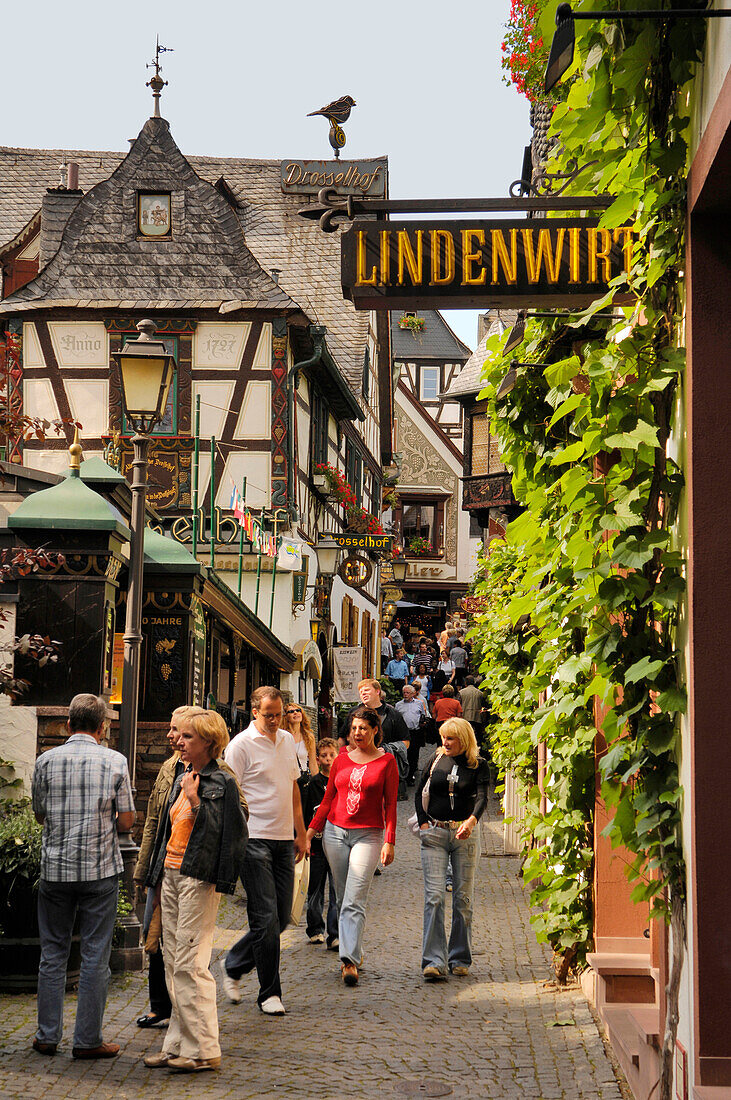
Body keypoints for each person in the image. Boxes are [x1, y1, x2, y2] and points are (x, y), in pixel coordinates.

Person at [31, 693, 135, 1059]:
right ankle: (88, 1040)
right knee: (95, 955)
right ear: (103, 726)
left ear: (69, 724)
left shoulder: (46, 761)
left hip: (56, 870)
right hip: (99, 870)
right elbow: (125, 821)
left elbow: (40, 815)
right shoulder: (115, 761)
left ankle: (47, 1035)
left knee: (53, 953)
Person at [144, 709, 247, 1072]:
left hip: (198, 878)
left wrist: (195, 800)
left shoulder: (221, 782)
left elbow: (232, 834)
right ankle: (177, 1044)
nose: (180, 742)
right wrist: (154, 878)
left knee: (191, 963)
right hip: (172, 874)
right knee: (173, 962)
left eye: (187, 737)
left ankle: (204, 1049)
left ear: (208, 741)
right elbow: (164, 832)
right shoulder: (182, 776)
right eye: (180, 736)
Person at [221, 686, 309, 1015]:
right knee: (266, 918)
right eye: (268, 714)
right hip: (253, 839)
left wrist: (302, 833)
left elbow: (293, 787)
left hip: (284, 839)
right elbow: (231, 794)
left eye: (279, 714)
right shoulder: (239, 746)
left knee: (282, 917)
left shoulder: (287, 740)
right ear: (255, 711)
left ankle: (233, 964)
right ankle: (269, 993)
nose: (274, 720)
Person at [307, 707, 398, 986]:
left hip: (368, 836)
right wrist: (310, 832)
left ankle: (348, 960)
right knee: (343, 894)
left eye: (363, 728)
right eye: (354, 728)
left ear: (374, 730)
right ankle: (353, 951)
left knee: (355, 896)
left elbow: (391, 804)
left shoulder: (387, 762)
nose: (358, 733)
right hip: (335, 833)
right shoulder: (341, 760)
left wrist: (389, 841)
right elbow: (327, 800)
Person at [415, 718, 490, 981]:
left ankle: (459, 957)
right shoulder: (436, 760)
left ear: (464, 740)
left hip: (465, 836)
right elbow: (419, 792)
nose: (445, 743)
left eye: (451, 739)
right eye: (443, 737)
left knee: (462, 900)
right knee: (434, 897)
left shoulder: (478, 765)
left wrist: (471, 821)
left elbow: (482, 796)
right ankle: (433, 960)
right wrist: (423, 823)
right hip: (434, 834)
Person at [302, 738, 339, 949]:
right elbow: (307, 812)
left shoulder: (340, 781)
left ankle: (334, 933)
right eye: (323, 756)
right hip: (316, 845)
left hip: (335, 844)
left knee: (336, 890)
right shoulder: (312, 784)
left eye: (331, 755)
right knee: (315, 889)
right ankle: (315, 928)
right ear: (317, 758)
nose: (327, 759)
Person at [396, 685, 426, 785]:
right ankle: (403, 774)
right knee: (404, 753)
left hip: (415, 732)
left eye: (407, 693)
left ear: (413, 694)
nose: (405, 694)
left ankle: (410, 775)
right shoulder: (398, 705)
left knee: (414, 754)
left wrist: (422, 722)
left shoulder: (419, 703)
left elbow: (423, 715)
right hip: (403, 733)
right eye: (404, 692)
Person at [282, 702, 318, 778]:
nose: (295, 713)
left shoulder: (308, 736)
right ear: (286, 717)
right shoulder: (282, 736)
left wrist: (316, 783)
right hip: (286, 778)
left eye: (298, 710)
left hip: (302, 778)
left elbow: (313, 763)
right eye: (291, 712)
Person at [459, 676, 486, 743]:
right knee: (478, 737)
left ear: (465, 683)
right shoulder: (480, 693)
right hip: (477, 717)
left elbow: (458, 704)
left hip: (465, 717)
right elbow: (484, 705)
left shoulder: (461, 692)